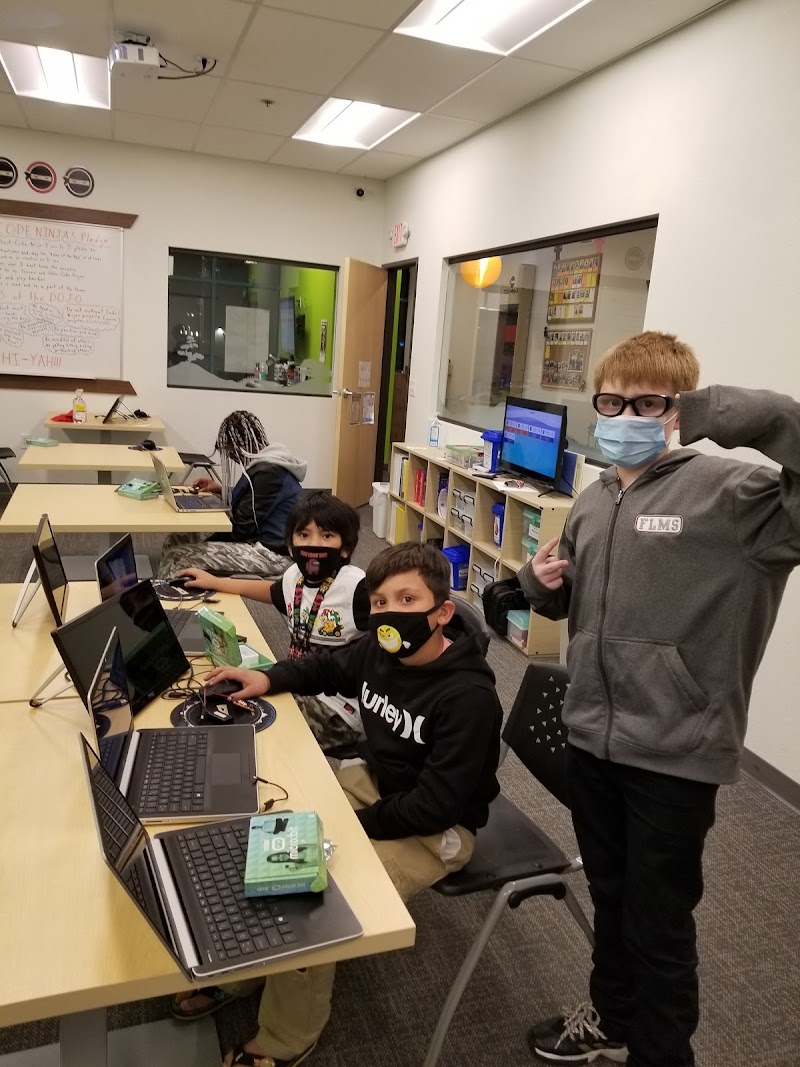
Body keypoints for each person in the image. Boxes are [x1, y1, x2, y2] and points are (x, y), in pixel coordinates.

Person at [520, 331, 800, 1067]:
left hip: (675, 755)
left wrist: (720, 411)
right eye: (612, 402)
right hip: (592, 739)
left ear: (680, 408)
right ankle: (612, 1020)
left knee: (659, 924)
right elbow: (571, 600)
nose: (625, 417)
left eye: (647, 403)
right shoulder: (594, 499)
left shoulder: (737, 498)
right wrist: (533, 587)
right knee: (610, 896)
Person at [172, 542, 503, 1067]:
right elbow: (324, 669)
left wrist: (349, 827)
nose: (391, 613)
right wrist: (269, 677)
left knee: (313, 896)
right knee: (271, 833)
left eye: (408, 600)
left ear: (442, 613)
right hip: (380, 785)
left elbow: (435, 808)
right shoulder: (379, 651)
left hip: (438, 830)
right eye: (381, 602)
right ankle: (248, 969)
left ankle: (287, 1038)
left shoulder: (468, 698)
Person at [177, 490, 369, 750]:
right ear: (290, 546)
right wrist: (216, 582)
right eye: (304, 535)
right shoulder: (294, 577)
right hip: (296, 679)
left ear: (345, 548)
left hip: (340, 706)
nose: (314, 545)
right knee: (225, 697)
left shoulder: (357, 588)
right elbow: (271, 592)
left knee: (255, 725)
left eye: (327, 536)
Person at [158, 411, 306, 581]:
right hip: (256, 541)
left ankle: (166, 593)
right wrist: (221, 489)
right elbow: (255, 498)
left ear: (243, 445)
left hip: (271, 554)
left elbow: (240, 530)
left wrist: (205, 543)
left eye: (231, 451)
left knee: (177, 557)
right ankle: (172, 586)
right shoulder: (268, 462)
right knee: (175, 539)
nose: (232, 457)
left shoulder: (270, 472)